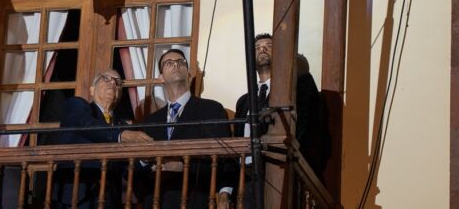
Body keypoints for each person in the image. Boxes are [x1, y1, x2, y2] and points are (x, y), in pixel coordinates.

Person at [139, 49, 232, 209]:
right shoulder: (151, 121)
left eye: (181, 62)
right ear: (160, 77)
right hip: (157, 201)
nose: (176, 64)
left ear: (188, 73)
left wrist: (183, 166)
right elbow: (139, 168)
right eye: (169, 63)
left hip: (195, 198)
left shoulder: (211, 109)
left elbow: (224, 158)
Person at [56, 69, 153, 208]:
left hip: (109, 200)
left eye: (117, 82)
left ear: (120, 94)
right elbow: (85, 124)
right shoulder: (77, 105)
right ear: (91, 89)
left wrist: (144, 159)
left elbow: (127, 167)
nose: (112, 83)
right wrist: (121, 136)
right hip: (77, 195)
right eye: (106, 79)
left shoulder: (124, 127)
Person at [235, 34, 327, 178]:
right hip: (246, 177)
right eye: (257, 48)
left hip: (279, 171)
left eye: (269, 46)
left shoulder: (295, 90)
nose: (262, 49)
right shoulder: (243, 101)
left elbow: (304, 125)